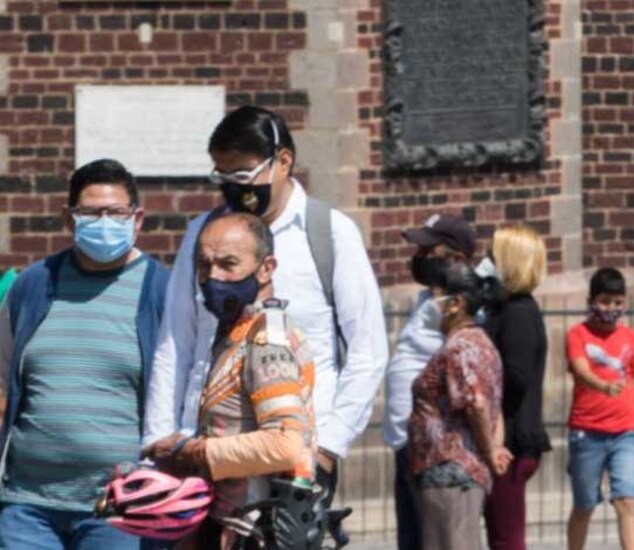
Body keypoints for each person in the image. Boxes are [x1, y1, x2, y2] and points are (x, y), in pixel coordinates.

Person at [143, 106, 388, 508]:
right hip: (202, 453)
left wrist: (328, 446)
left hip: (293, 460)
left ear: (283, 162)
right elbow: (177, 339)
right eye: (222, 177)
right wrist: (158, 439)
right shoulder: (202, 234)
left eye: (242, 175)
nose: (233, 189)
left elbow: (368, 350)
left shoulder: (329, 233)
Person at [0, 159, 170, 549]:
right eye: (92, 212)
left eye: (116, 212)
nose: (104, 221)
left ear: (138, 218)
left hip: (120, 507)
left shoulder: (162, 291)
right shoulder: (32, 285)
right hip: (27, 506)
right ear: (69, 218)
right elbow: (3, 381)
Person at [143, 212, 316, 549]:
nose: (213, 277)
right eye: (204, 265)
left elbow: (285, 443)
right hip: (227, 524)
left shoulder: (268, 341)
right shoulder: (237, 331)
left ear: (266, 268)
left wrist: (191, 451)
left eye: (228, 264)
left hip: (256, 530)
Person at [383, 213, 478, 550]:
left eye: (428, 250)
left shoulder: (463, 308)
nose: (420, 258)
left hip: (433, 443)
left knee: (433, 540)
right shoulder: (428, 299)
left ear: (455, 259)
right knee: (410, 538)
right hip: (406, 440)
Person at [407, 263, 511, 550]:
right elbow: (494, 404)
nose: (429, 304)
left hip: (450, 470)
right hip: (455, 471)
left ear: (456, 304)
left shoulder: (460, 347)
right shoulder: (480, 343)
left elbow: (477, 403)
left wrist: (490, 451)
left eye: (434, 296)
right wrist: (494, 447)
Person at [565, 268, 634, 550]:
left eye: (617, 303)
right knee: (585, 505)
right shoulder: (578, 334)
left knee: (626, 500)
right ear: (591, 300)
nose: (611, 309)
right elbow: (580, 370)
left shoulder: (631, 338)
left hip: (626, 433)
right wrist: (603, 386)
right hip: (586, 433)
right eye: (604, 301)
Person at [481, 224, 552, 550]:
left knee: (506, 540)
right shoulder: (509, 308)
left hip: (510, 441)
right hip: (507, 440)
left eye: (493, 255)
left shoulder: (518, 313)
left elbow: (516, 377)